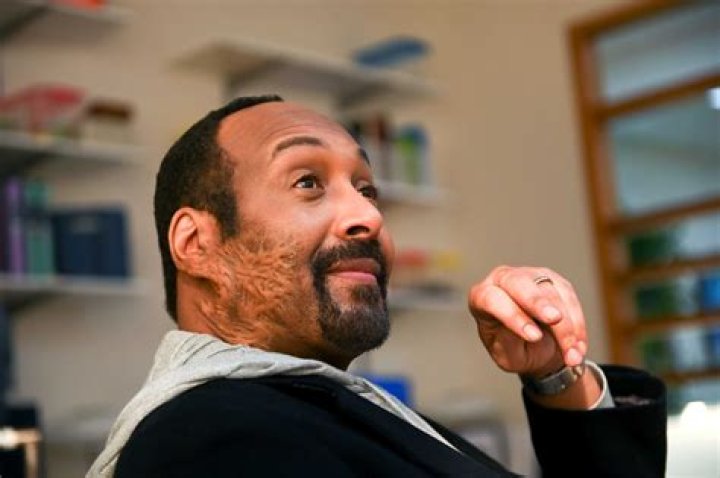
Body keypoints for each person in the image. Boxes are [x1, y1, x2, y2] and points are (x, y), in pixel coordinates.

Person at [87, 96, 666, 478]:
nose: (368, 216)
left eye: (367, 189)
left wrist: (556, 374)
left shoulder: (327, 412)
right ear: (196, 244)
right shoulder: (209, 439)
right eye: (308, 182)